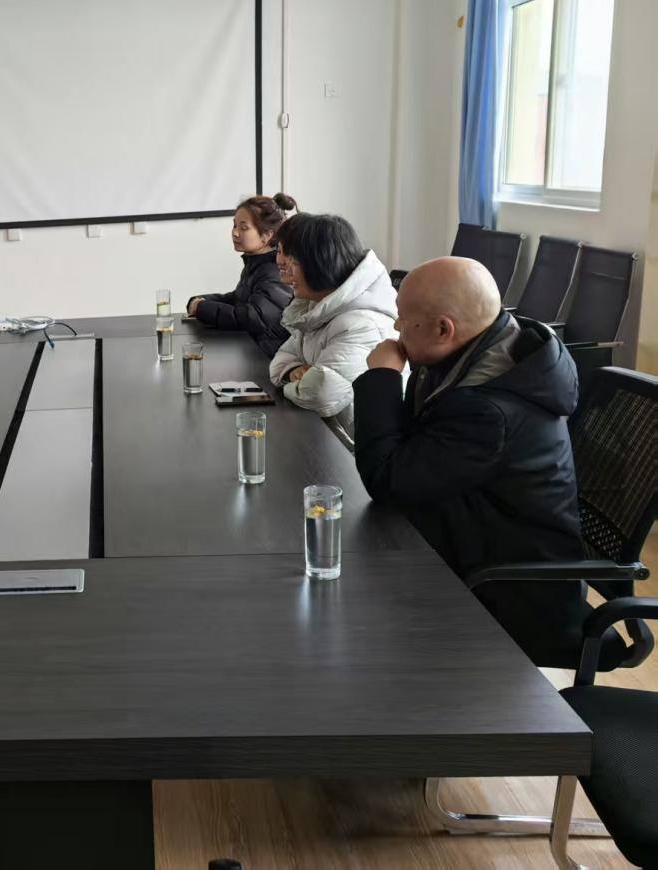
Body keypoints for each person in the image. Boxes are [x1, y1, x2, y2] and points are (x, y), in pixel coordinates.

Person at [353, 256, 592, 667]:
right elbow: (412, 447)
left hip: (510, 591)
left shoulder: (489, 409)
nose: (396, 329)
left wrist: (382, 378)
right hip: (471, 536)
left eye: (403, 320)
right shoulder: (473, 351)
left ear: (444, 329)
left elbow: (388, 477)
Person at [268, 213, 397, 436]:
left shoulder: (362, 323)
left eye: (294, 263)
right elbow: (281, 359)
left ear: (319, 264)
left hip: (352, 449)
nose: (287, 272)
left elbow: (320, 394)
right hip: (324, 435)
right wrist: (293, 372)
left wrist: (290, 384)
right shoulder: (318, 308)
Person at [185, 193, 296, 357]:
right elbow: (238, 298)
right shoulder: (256, 262)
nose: (235, 233)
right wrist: (201, 301)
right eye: (235, 225)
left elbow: (255, 317)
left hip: (267, 359)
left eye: (244, 228)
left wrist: (202, 308)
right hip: (251, 351)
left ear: (267, 235)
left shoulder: (274, 270)